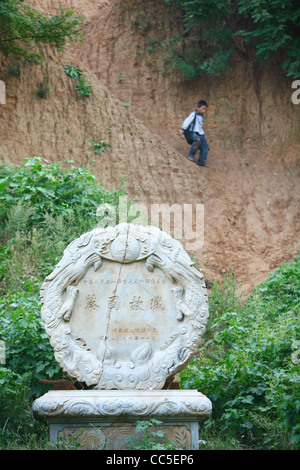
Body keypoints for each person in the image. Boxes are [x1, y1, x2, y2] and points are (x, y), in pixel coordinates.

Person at [179, 100, 209, 167]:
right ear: (198, 108)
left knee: (205, 147)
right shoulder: (193, 114)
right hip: (193, 132)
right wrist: (182, 129)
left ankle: (201, 161)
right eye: (202, 109)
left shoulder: (202, 116)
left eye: (205, 109)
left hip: (200, 132)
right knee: (197, 141)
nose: (204, 111)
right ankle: (191, 155)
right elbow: (187, 121)